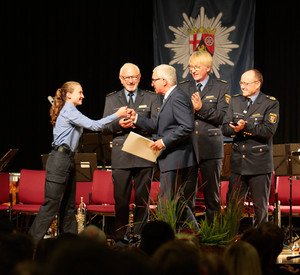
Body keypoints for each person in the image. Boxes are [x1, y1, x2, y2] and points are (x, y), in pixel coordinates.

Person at [28, 81, 128, 245]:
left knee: (68, 208)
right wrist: (117, 115)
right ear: (69, 95)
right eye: (79, 92)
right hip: (60, 160)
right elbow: (95, 125)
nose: (83, 96)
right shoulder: (68, 110)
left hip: (68, 160)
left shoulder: (70, 110)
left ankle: (70, 246)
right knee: (51, 206)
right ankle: (29, 244)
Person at [129, 64, 199, 231]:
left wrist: (163, 142)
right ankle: (197, 233)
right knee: (176, 200)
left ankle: (165, 240)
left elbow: (187, 126)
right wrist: (137, 119)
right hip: (172, 159)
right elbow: (161, 126)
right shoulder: (171, 97)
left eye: (154, 80)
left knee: (166, 202)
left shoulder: (177, 97)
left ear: (164, 81)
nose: (152, 84)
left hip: (176, 159)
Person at [101, 63, 160, 246]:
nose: (131, 80)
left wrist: (138, 121)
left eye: (134, 77)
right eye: (127, 78)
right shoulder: (111, 99)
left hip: (143, 152)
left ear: (140, 77)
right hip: (122, 154)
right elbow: (104, 127)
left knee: (143, 198)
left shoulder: (151, 97)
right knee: (121, 199)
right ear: (121, 79)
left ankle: (141, 237)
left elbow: (157, 124)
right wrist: (120, 125)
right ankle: (120, 237)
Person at [178, 50, 230, 224]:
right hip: (187, 147)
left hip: (211, 148)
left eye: (197, 67)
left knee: (212, 197)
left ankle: (213, 237)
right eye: (191, 67)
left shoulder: (222, 87)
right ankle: (188, 234)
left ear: (208, 68)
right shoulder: (184, 87)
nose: (193, 70)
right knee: (186, 196)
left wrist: (201, 109)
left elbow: (224, 117)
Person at [222, 69, 279, 227]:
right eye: (241, 83)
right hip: (238, 164)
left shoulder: (270, 103)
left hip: (259, 164)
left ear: (257, 84)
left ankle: (262, 244)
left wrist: (245, 127)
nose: (242, 86)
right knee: (233, 207)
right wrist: (234, 128)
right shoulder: (235, 101)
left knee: (260, 209)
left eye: (246, 83)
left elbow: (269, 130)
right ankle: (230, 241)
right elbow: (224, 128)